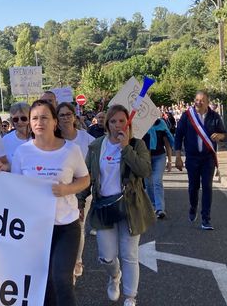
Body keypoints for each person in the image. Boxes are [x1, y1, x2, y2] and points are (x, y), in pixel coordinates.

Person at [12, 100, 90, 306]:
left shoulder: (71, 150)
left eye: (45, 117)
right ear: (30, 123)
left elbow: (85, 179)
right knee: (43, 282)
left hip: (66, 226)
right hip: (36, 229)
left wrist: (67, 189)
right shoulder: (22, 152)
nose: (40, 122)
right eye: (35, 118)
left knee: (61, 278)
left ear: (55, 122)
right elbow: (15, 189)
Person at [81, 105, 155, 306]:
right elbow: (87, 177)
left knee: (129, 253)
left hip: (130, 207)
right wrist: (80, 202)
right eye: (113, 121)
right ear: (107, 124)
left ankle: (130, 296)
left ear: (128, 123)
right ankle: (114, 276)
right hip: (104, 207)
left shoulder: (136, 145)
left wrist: (126, 149)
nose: (117, 125)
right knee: (106, 256)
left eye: (122, 121)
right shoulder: (97, 146)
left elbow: (144, 171)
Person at [174, 90, 227, 230]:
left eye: (202, 100)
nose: (199, 102)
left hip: (208, 158)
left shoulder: (214, 116)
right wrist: (178, 156)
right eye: (197, 99)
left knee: (207, 187)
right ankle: (193, 206)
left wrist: (219, 136)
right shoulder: (187, 116)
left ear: (207, 102)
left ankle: (206, 219)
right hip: (192, 157)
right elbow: (178, 136)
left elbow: (224, 134)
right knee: (193, 187)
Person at [56, 102, 95, 284]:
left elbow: (93, 166)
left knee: (78, 226)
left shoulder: (87, 139)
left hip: (81, 191)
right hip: (59, 193)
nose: (65, 118)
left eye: (68, 114)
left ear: (74, 117)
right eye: (61, 115)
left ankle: (76, 261)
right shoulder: (53, 139)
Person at [142, 118, 174, 219]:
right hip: (146, 158)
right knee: (148, 183)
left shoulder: (161, 125)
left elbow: (167, 144)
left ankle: (160, 208)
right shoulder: (142, 127)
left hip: (159, 156)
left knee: (157, 181)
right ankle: (152, 205)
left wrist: (170, 161)